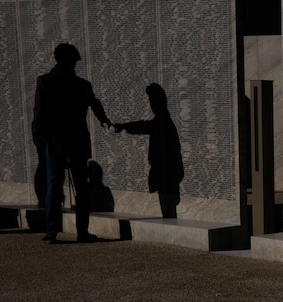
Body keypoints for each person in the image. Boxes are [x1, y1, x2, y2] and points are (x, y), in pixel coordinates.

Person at [32, 43, 112, 243]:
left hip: (54, 141)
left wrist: (40, 139)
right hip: (77, 141)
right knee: (81, 188)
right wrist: (104, 120)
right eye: (75, 61)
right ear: (70, 61)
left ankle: (51, 233)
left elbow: (39, 115)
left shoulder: (44, 82)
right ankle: (82, 232)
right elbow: (95, 104)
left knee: (53, 186)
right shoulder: (82, 85)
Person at [113, 83, 184, 218]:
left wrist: (123, 126)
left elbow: (143, 126)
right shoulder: (162, 120)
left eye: (153, 100)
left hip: (167, 174)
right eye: (151, 101)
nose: (151, 105)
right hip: (165, 173)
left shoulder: (163, 121)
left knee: (168, 211)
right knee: (167, 210)